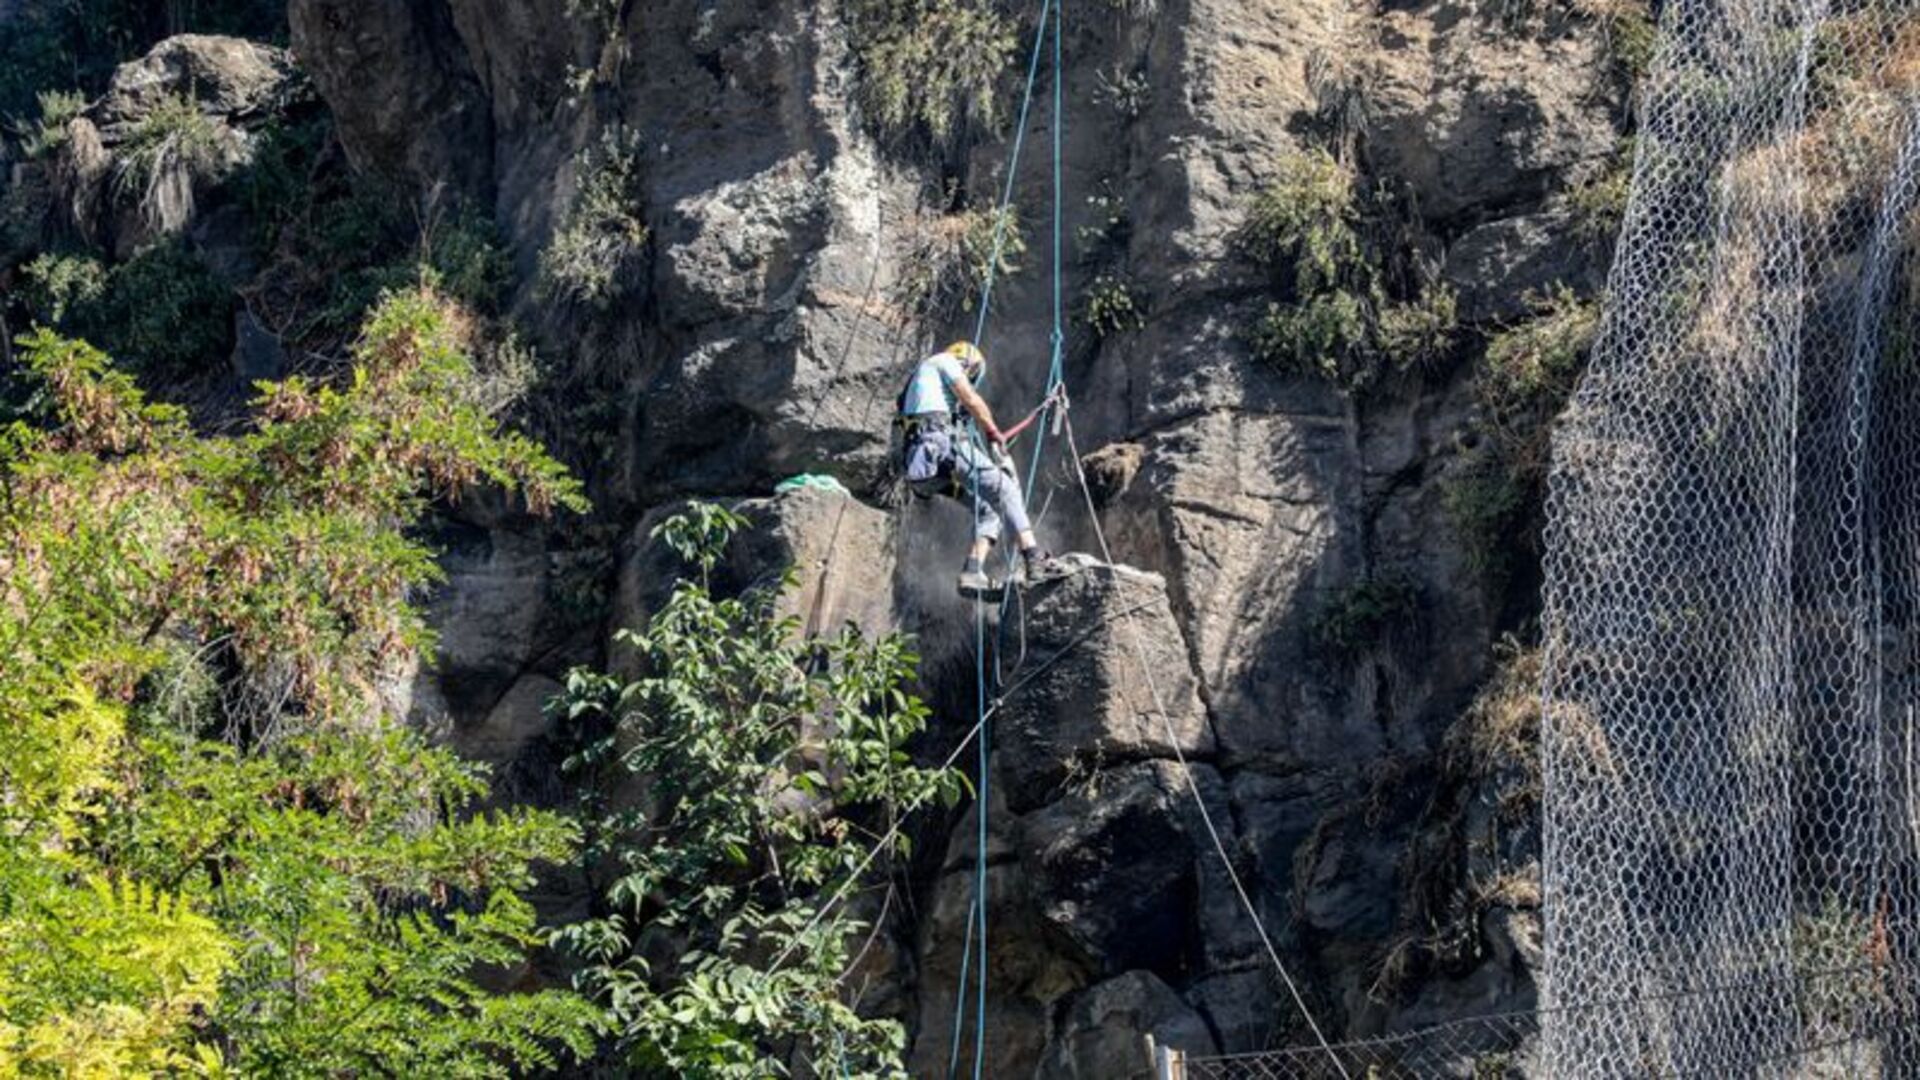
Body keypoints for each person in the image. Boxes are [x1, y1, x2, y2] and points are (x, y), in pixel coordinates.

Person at [897, 341, 1055, 598]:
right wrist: (993, 433)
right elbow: (970, 399)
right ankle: (1034, 558)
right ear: (968, 364)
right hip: (939, 444)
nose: (969, 380)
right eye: (971, 376)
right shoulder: (944, 361)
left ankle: (972, 571)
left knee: (988, 510)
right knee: (1005, 488)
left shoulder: (917, 386)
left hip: (921, 469)